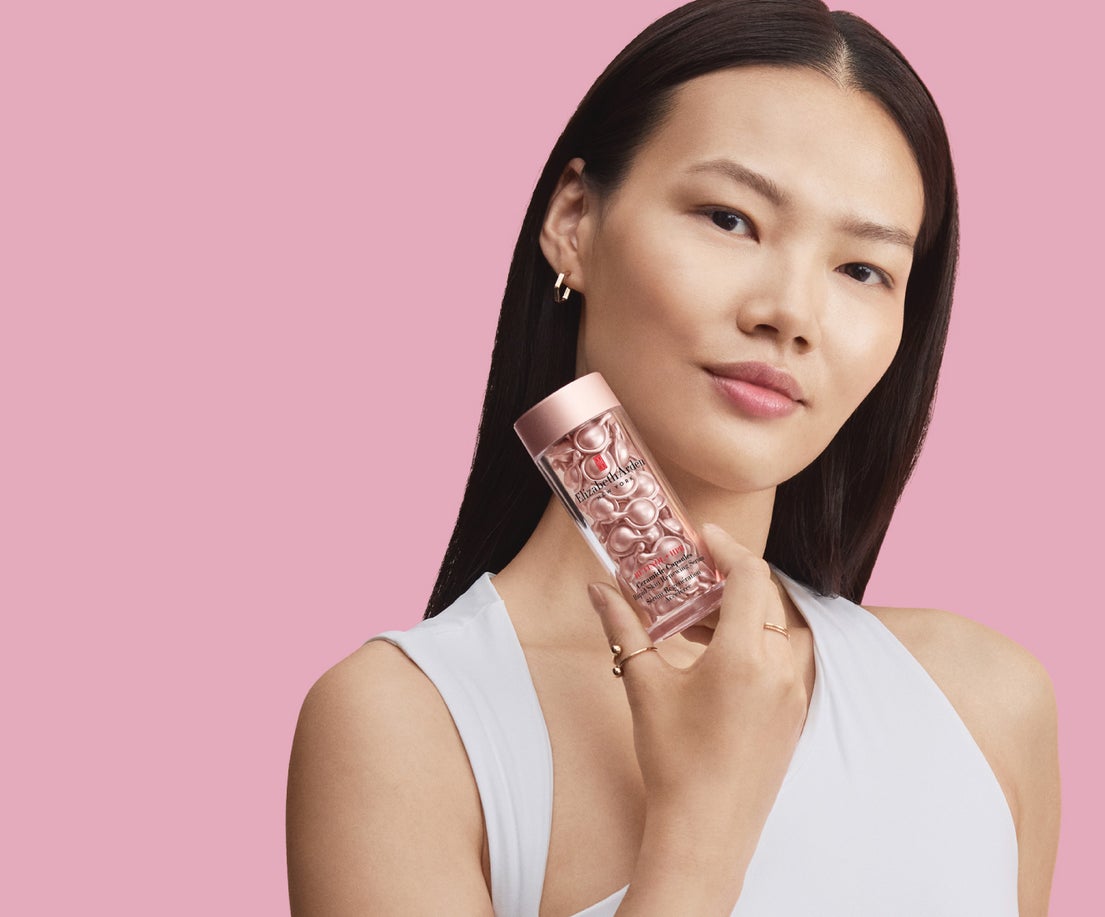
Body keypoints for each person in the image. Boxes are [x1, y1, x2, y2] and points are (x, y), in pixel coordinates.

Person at [285, 2, 1060, 915]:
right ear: (575, 219)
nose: (790, 312)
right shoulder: (407, 728)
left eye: (862, 270)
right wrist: (703, 824)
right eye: (730, 218)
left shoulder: (983, 707)